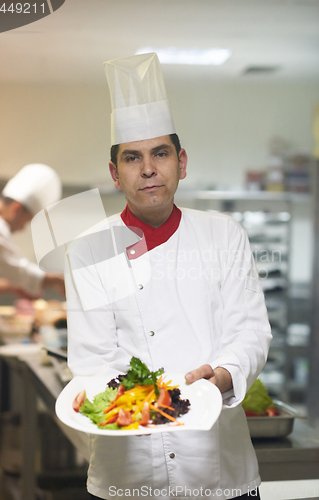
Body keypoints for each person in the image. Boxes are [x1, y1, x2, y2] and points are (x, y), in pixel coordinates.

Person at [65, 53, 272, 500]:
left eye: (160, 153)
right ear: (115, 174)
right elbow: (93, 359)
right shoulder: (89, 249)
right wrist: (139, 407)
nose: (148, 169)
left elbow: (250, 331)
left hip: (219, 471)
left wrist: (224, 375)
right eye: (132, 158)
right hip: (128, 473)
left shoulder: (224, 235)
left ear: (181, 162)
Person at [0, 163, 65, 302]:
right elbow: (18, 272)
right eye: (26, 220)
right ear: (17, 209)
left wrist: (14, 287)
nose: (22, 228)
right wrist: (58, 280)